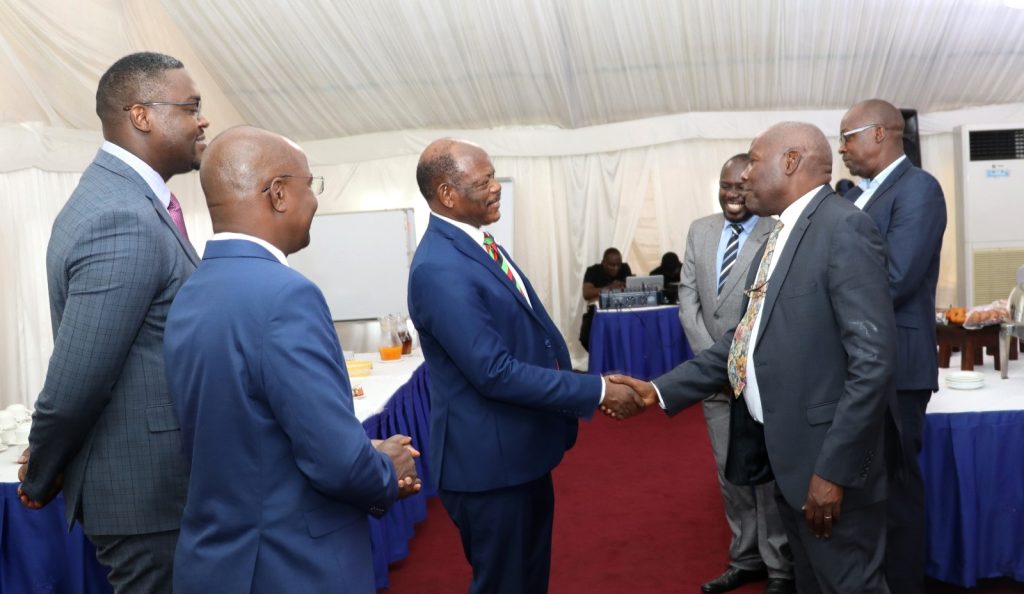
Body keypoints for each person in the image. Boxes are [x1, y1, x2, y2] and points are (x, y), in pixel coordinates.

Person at [612, 122, 898, 594]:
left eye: (754, 161)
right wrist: (658, 390)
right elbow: (741, 341)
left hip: (827, 469)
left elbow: (872, 362)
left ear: (790, 162)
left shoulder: (843, 228)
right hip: (787, 463)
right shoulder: (778, 236)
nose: (744, 177)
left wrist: (832, 472)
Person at [163, 126, 421, 593]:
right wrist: (387, 469)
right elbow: (335, 461)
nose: (315, 200)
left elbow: (247, 435)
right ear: (279, 193)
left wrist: (364, 455)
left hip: (217, 561)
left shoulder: (191, 292)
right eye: (311, 184)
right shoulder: (287, 296)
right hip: (291, 564)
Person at [408, 138, 644, 594]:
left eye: (494, 175)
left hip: (515, 455)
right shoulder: (440, 267)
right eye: (485, 182)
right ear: (447, 195)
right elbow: (494, 371)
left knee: (528, 580)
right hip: (489, 469)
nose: (497, 188)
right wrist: (595, 390)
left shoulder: (473, 243)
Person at [17, 52, 208, 593]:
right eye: (191, 107)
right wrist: (42, 469)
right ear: (142, 116)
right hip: (147, 496)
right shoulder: (120, 216)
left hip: (160, 490)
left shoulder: (132, 201)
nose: (203, 120)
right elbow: (78, 378)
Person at [839, 98, 947, 594]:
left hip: (899, 366)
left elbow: (897, 277)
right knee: (872, 491)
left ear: (880, 134)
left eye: (848, 136)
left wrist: (828, 290)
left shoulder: (918, 189)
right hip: (866, 363)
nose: (842, 148)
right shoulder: (865, 194)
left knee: (898, 494)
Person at [678, 154, 793, 594]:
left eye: (741, 187)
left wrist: (740, 364)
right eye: (726, 186)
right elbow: (687, 300)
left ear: (754, 186)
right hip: (715, 379)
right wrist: (714, 363)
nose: (732, 195)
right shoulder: (699, 230)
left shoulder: (777, 229)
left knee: (765, 476)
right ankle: (744, 557)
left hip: (760, 378)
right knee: (729, 475)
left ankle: (780, 567)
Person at [579, 247, 633, 349]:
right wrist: (609, 288)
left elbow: (629, 289)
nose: (615, 268)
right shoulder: (593, 271)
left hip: (621, 313)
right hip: (597, 313)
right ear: (603, 262)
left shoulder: (625, 268)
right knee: (587, 337)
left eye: (618, 265)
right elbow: (587, 293)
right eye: (611, 265)